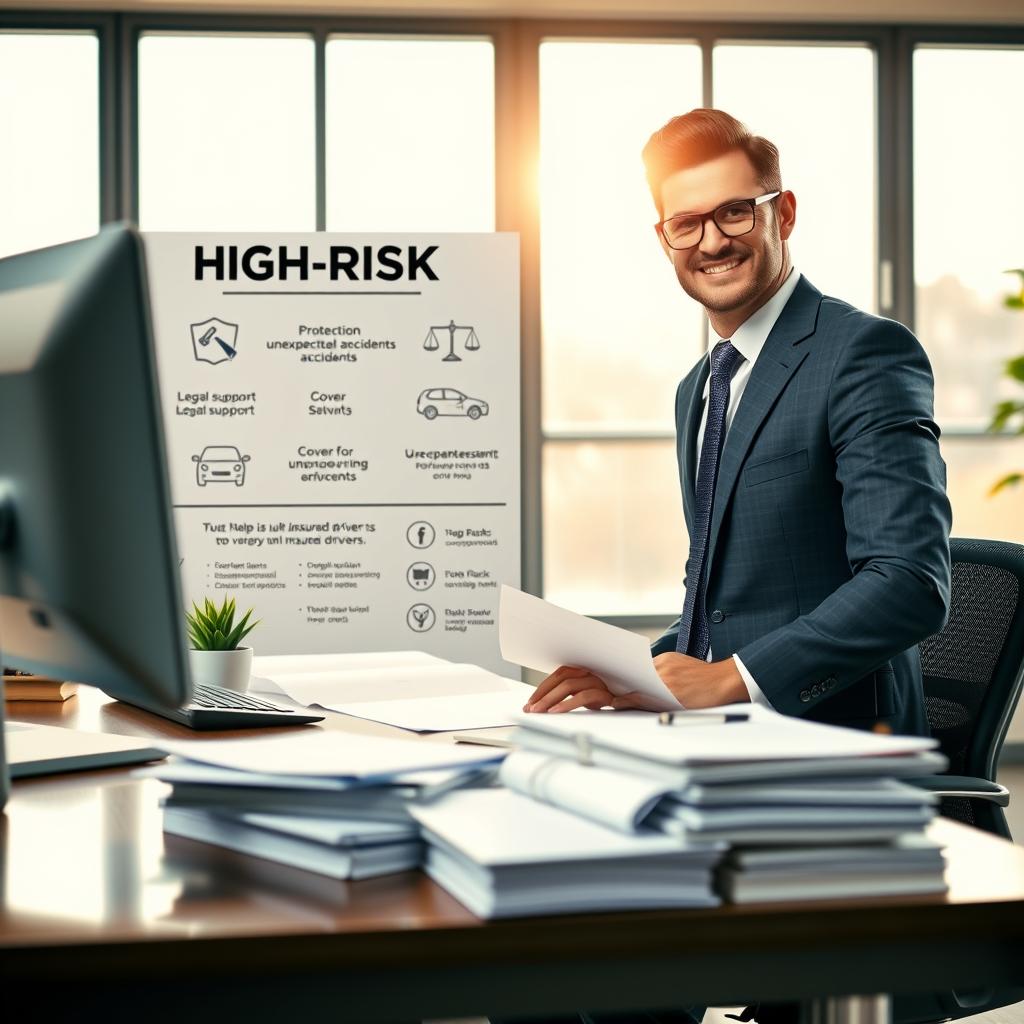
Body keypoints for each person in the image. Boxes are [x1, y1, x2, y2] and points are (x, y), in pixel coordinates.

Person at [526, 108, 952, 740]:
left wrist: (731, 678)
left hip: (838, 743)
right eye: (685, 223)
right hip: (721, 736)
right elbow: (725, 602)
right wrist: (631, 676)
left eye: (735, 211)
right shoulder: (697, 391)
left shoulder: (862, 353)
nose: (712, 242)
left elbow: (910, 583)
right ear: (664, 238)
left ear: (782, 214)